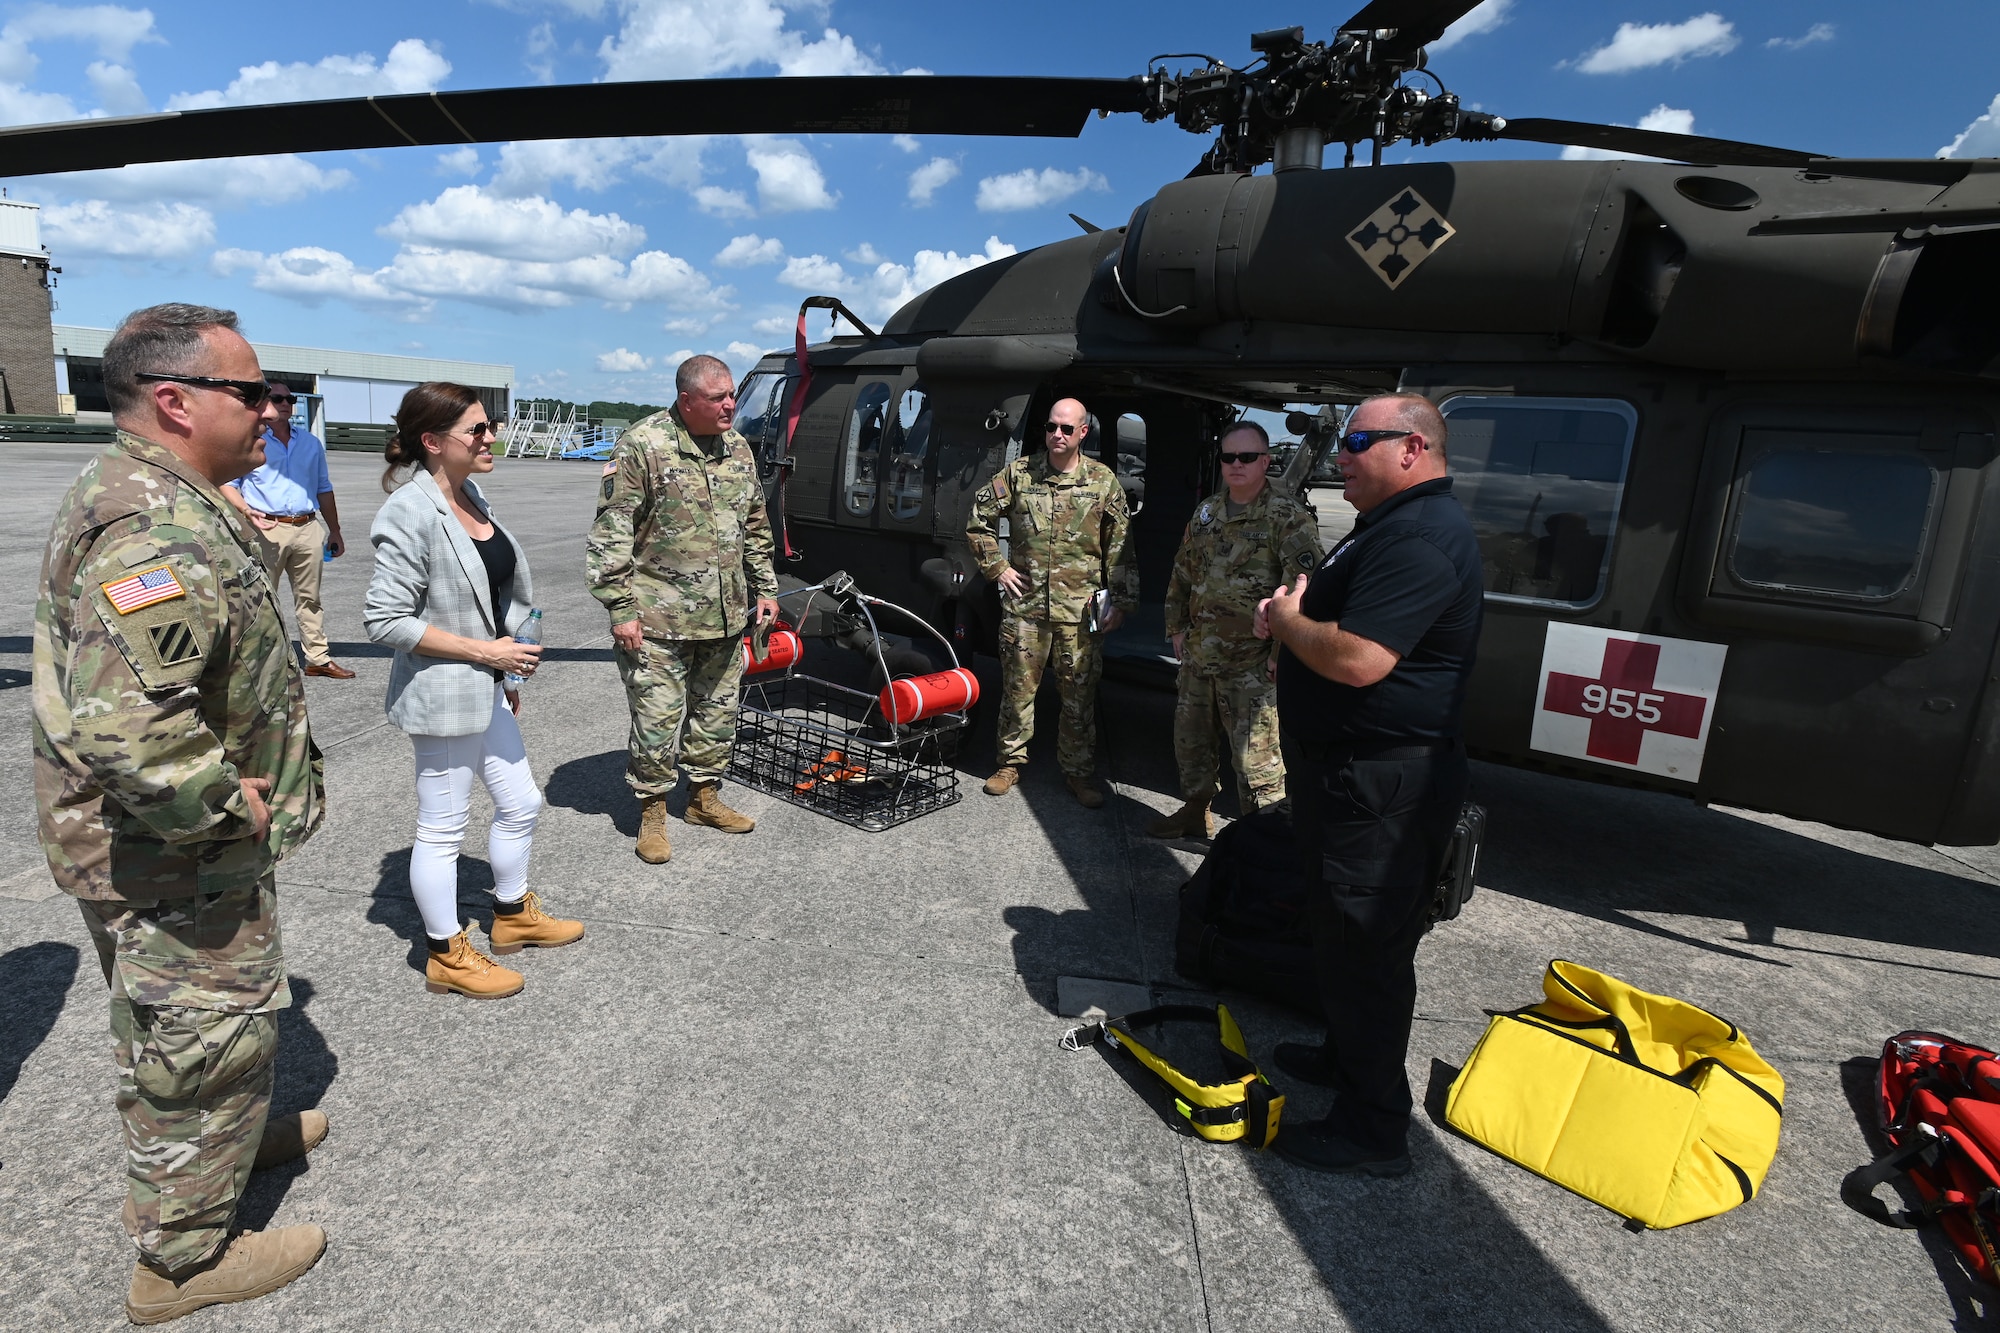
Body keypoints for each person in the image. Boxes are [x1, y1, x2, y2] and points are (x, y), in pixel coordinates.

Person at [31, 303, 329, 1322]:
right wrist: (224, 804)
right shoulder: (153, 523)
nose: (272, 409)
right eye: (250, 392)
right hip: (176, 848)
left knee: (178, 1025)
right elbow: (130, 729)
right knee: (209, 1033)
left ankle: (218, 1148)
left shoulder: (162, 492)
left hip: (160, 844)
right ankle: (183, 1261)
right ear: (175, 400)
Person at [1255, 392, 1483, 1178]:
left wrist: (1290, 626)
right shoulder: (1390, 525)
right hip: (1354, 778)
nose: (1340, 454)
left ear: (1412, 448)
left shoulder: (1420, 537)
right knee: (1344, 938)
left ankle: (1373, 1127)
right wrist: (1292, 610)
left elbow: (1359, 659)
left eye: (1357, 440)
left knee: (1368, 950)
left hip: (1384, 786)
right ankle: (1347, 1058)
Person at [364, 382, 584, 998]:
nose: (492, 438)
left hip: (486, 687)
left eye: (491, 426)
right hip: (443, 695)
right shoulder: (408, 511)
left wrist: (506, 665)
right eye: (478, 430)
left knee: (521, 803)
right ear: (433, 442)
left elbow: (492, 595)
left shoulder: (469, 494)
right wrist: (485, 652)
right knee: (443, 827)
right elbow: (384, 619)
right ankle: (445, 954)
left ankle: (511, 918)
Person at [586, 354, 780, 864]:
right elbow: (612, 533)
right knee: (656, 720)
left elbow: (755, 526)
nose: (730, 405)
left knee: (717, 714)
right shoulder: (643, 446)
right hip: (657, 619)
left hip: (725, 615)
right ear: (686, 399)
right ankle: (651, 811)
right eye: (718, 398)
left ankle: (702, 799)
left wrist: (765, 589)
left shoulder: (737, 448)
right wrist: (620, 608)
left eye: (732, 394)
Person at [1151, 421, 1322, 839]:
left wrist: (1284, 657)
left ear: (1265, 461)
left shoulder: (1287, 518)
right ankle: (1195, 812)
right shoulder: (1207, 513)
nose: (1237, 465)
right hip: (1199, 655)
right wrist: (1176, 627)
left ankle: (1266, 846)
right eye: (1229, 457)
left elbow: (1307, 592)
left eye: (1247, 457)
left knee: (1256, 766)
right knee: (1191, 745)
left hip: (1252, 665)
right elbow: (1182, 572)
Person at [966, 397, 1139, 807]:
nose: (1056, 435)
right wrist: (998, 568)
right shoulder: (1020, 474)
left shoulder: (1103, 482)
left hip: (1081, 612)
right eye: (1050, 427)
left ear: (1083, 433)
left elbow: (1122, 548)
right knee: (1017, 691)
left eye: (1066, 428)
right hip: (1025, 609)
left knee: (1079, 696)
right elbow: (978, 520)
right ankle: (1009, 763)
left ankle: (1078, 773)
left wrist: (1124, 601)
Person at [221, 380, 354, 679]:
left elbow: (323, 489)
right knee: (260, 599)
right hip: (267, 528)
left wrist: (335, 530)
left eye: (290, 399)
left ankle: (317, 658)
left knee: (310, 598)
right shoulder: (252, 441)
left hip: (307, 526)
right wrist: (245, 511)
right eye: (278, 398)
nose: (285, 403)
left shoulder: (310, 443)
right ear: (265, 403)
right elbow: (228, 485)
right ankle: (259, 662)